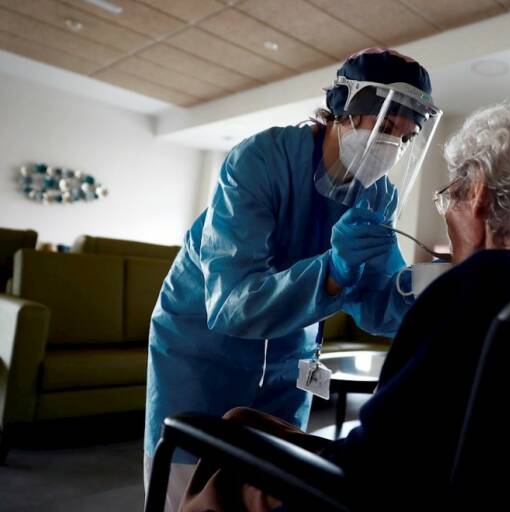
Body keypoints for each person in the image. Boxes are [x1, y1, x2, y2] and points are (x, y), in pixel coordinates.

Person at [179, 101, 510, 511]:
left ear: (479, 193)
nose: (447, 210)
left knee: (221, 450)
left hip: (371, 496)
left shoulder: (465, 296)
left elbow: (372, 466)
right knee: (242, 421)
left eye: (451, 194)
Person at [143, 47, 442, 510]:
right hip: (202, 350)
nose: (392, 147)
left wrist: (420, 292)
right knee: (188, 488)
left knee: (276, 485)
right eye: (385, 126)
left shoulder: (378, 194)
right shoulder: (261, 160)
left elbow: (375, 308)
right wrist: (333, 271)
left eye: (404, 137)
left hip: (291, 353)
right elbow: (232, 305)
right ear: (342, 108)